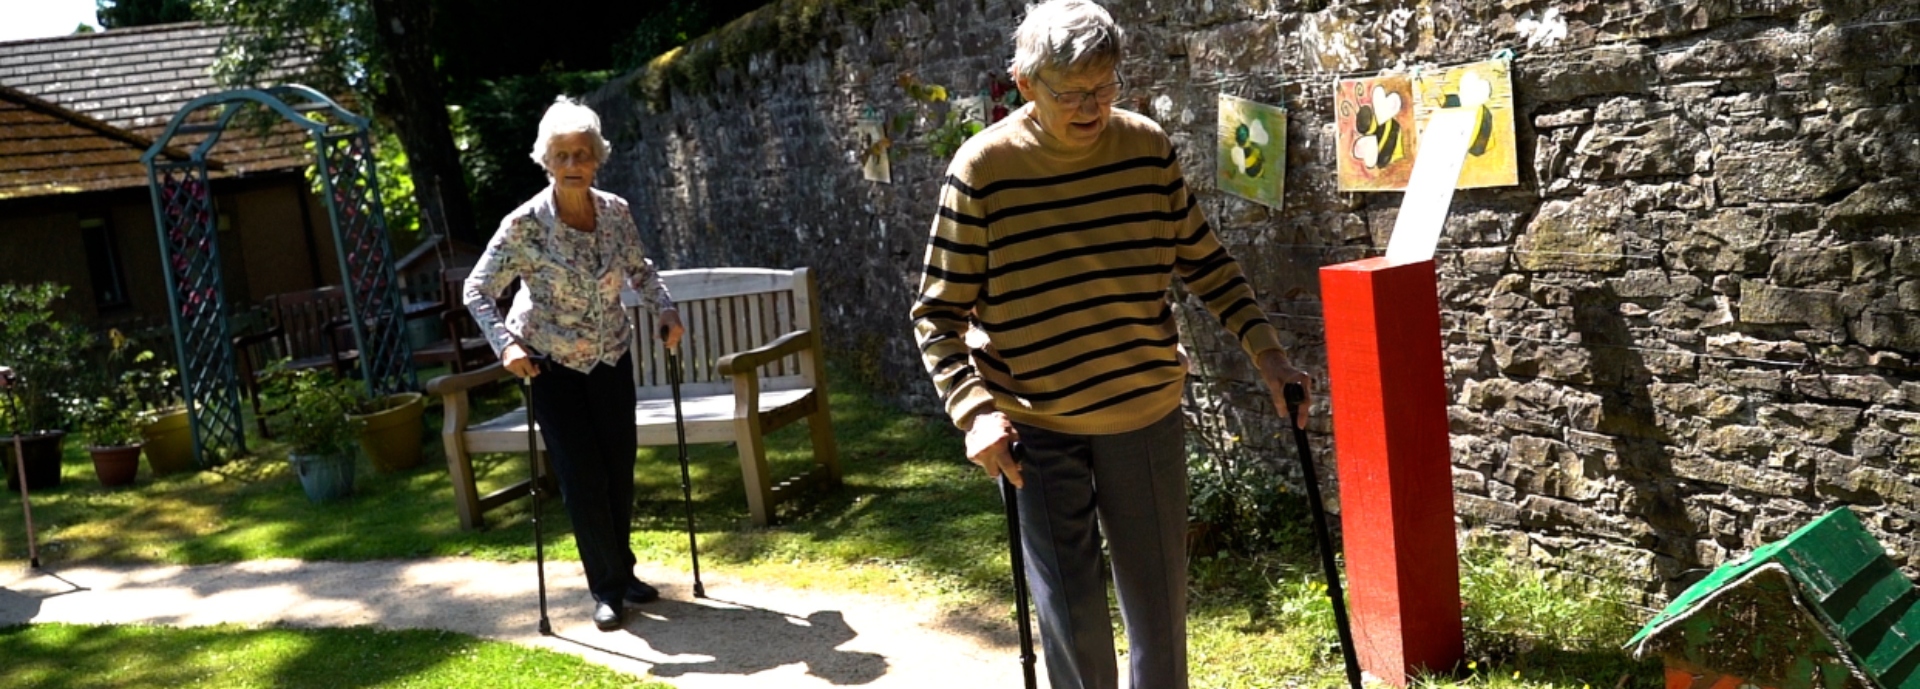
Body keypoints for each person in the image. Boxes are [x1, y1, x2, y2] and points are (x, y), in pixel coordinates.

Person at [908, 1, 1314, 687]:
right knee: (1074, 625)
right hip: (1035, 427)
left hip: (1144, 411)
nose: (1092, 106)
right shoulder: (983, 170)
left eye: (1105, 86)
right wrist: (974, 412)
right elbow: (936, 313)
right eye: (1072, 92)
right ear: (1024, 82)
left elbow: (1206, 262)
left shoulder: (1146, 147)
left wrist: (1269, 356)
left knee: (1160, 620)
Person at [465, 97, 685, 632]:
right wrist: (506, 346)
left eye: (581, 154)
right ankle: (606, 588)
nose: (572, 165)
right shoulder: (523, 226)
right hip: (549, 363)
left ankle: (623, 570)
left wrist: (666, 308)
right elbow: (476, 289)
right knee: (581, 475)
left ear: (596, 158)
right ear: (546, 160)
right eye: (561, 155)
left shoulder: (615, 212)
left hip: (611, 355)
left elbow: (640, 269)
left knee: (618, 469)